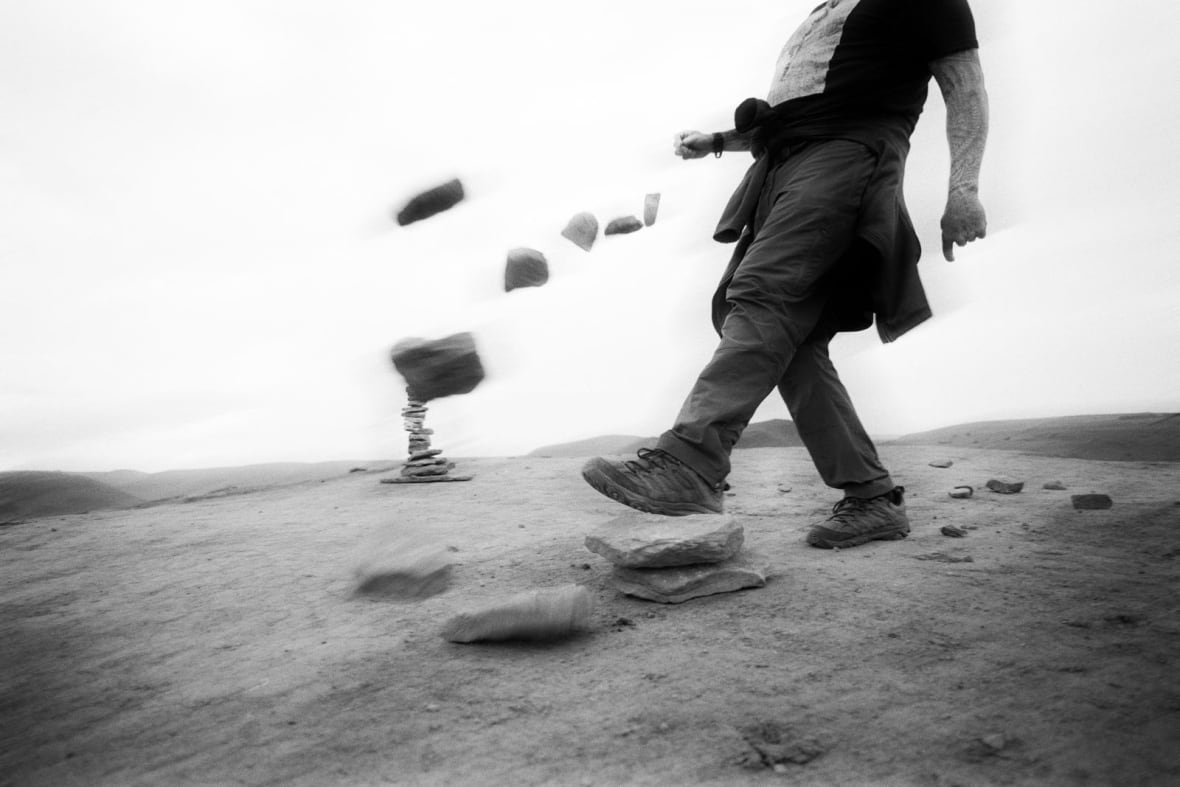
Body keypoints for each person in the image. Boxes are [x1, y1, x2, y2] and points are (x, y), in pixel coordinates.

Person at [581, 0, 989, 549]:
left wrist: (963, 188)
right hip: (784, 167)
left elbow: (966, 89)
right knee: (790, 341)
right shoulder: (827, 9)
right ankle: (871, 496)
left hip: (845, 158)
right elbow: (795, 112)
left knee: (764, 292)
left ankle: (691, 462)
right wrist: (720, 142)